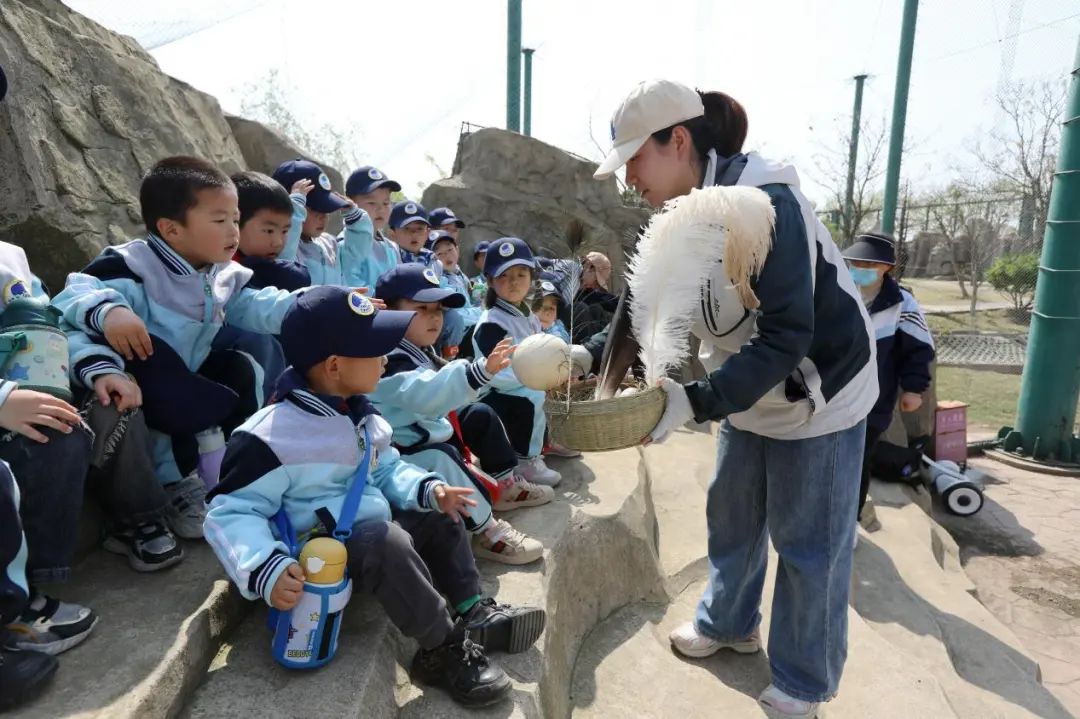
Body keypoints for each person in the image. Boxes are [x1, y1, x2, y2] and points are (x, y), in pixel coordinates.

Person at [594, 79, 878, 717]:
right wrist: (593, 368)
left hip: (820, 391)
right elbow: (641, 307)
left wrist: (694, 401)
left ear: (678, 141)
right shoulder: (679, 213)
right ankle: (727, 624)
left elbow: (787, 335)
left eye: (635, 158)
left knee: (808, 544)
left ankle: (804, 680)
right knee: (734, 515)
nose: (629, 179)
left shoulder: (769, 204)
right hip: (749, 386)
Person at [203, 286, 547, 707]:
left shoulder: (359, 413)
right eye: (374, 349)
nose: (386, 357)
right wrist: (265, 567)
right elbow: (231, 511)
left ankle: (472, 607)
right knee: (388, 541)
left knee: (439, 516)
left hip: (366, 530)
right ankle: (441, 647)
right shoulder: (269, 436)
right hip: (316, 559)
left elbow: (385, 468)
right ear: (334, 366)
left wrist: (427, 489)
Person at [53, 156, 302, 542]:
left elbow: (257, 305)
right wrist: (111, 311)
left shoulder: (221, 273)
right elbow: (75, 293)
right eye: (220, 220)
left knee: (242, 366)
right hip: (133, 383)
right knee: (156, 388)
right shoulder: (133, 265)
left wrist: (317, 306)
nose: (233, 231)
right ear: (171, 229)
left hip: (184, 382)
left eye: (236, 219)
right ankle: (170, 492)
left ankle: (234, 467)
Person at [370, 264, 550, 565]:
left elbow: (438, 385)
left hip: (426, 428)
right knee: (441, 457)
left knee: (477, 414)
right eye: (421, 308)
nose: (434, 317)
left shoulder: (415, 348)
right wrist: (477, 372)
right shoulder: (387, 359)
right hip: (400, 453)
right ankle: (487, 531)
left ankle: (505, 484)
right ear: (388, 311)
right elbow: (426, 392)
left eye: (438, 309)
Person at [471, 239, 590, 484]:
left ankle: (547, 439)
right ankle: (526, 460)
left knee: (555, 385)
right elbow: (496, 374)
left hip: (521, 383)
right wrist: (537, 381)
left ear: (531, 277)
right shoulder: (492, 322)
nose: (514, 282)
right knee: (534, 395)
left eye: (521, 274)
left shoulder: (528, 315)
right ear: (490, 281)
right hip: (496, 392)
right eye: (504, 276)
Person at [842, 232, 935, 522]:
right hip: (830, 396)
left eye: (869, 264)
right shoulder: (836, 290)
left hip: (873, 401)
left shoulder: (902, 303)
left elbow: (918, 349)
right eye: (856, 262)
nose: (860, 268)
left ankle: (850, 520)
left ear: (887, 268)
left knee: (857, 462)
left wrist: (913, 389)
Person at [215, 170, 310, 400]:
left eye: (284, 231)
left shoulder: (267, 263)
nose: (278, 241)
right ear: (235, 223)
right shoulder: (219, 266)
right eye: (268, 230)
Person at [272, 159, 373, 287]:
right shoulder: (280, 246)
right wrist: (293, 208)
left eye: (326, 208)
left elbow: (355, 256)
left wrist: (356, 220)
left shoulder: (329, 244)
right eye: (314, 209)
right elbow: (285, 256)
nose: (323, 216)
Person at [340, 165, 402, 290]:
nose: (381, 209)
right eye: (371, 203)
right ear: (349, 203)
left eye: (386, 203)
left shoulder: (392, 247)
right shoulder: (346, 244)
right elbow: (350, 283)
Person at [389, 201, 436, 265]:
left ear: (427, 233)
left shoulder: (434, 262)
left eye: (420, 229)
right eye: (407, 229)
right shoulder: (387, 260)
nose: (414, 234)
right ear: (393, 234)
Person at [469, 242, 490, 307]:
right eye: (483, 256)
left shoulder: (501, 280)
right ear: (476, 262)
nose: (487, 259)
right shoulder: (472, 282)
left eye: (489, 256)